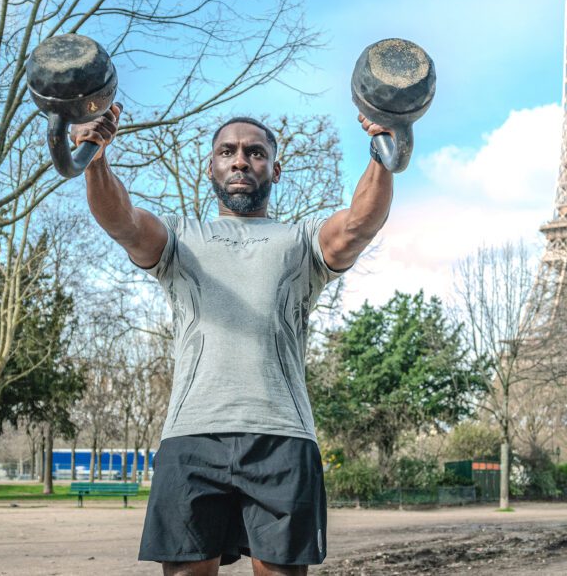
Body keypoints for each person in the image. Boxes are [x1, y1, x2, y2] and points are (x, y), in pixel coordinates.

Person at [73, 105, 393, 576]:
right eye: (228, 151)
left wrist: (386, 148)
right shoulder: (181, 237)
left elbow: (358, 225)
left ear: (274, 169)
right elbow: (121, 220)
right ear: (211, 167)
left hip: (282, 436)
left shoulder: (301, 239)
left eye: (255, 152)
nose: (240, 161)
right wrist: (96, 157)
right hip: (191, 434)